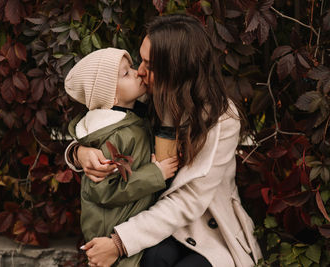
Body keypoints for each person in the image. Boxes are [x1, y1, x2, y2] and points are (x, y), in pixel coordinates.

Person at [66, 14, 263, 267]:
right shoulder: (150, 95)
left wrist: (119, 242)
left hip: (207, 225)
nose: (140, 72)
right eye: (141, 60)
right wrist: (79, 152)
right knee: (153, 259)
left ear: (177, 69)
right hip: (152, 220)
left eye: (150, 64)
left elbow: (188, 200)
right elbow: (100, 122)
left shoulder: (222, 120)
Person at [64, 48, 179, 267]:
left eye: (131, 68)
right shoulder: (113, 136)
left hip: (131, 219)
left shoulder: (131, 117)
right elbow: (105, 191)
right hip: (111, 227)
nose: (137, 73)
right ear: (111, 95)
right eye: (126, 74)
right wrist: (155, 174)